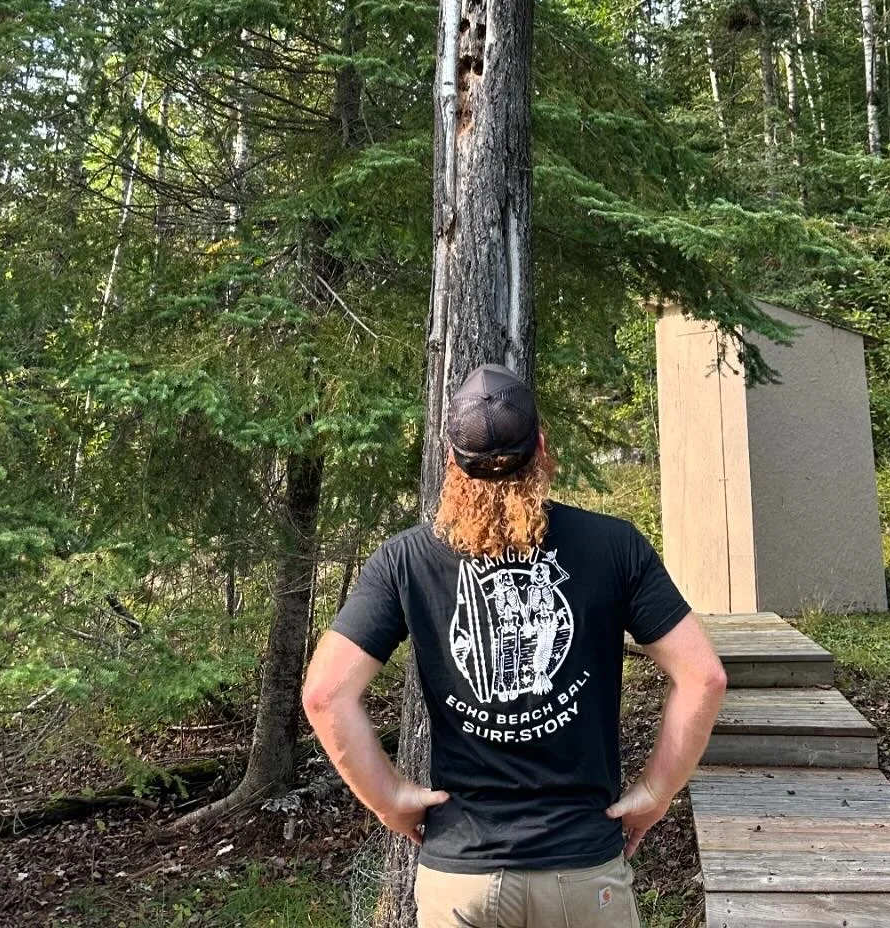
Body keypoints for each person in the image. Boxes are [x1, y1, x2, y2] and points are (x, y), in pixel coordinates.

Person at [302, 363, 728, 928]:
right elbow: (704, 676)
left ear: (451, 460)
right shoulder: (614, 546)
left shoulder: (405, 560)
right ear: (542, 449)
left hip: (462, 877)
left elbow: (326, 694)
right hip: (582, 872)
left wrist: (389, 799)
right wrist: (656, 790)